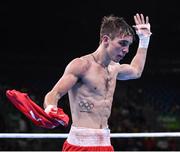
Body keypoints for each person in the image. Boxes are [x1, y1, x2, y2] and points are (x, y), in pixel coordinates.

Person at [43, 13, 152, 151]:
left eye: (129, 45)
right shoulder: (81, 65)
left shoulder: (115, 68)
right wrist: (50, 108)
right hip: (80, 144)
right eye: (122, 43)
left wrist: (144, 39)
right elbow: (54, 94)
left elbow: (136, 71)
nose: (126, 50)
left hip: (105, 143)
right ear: (106, 39)